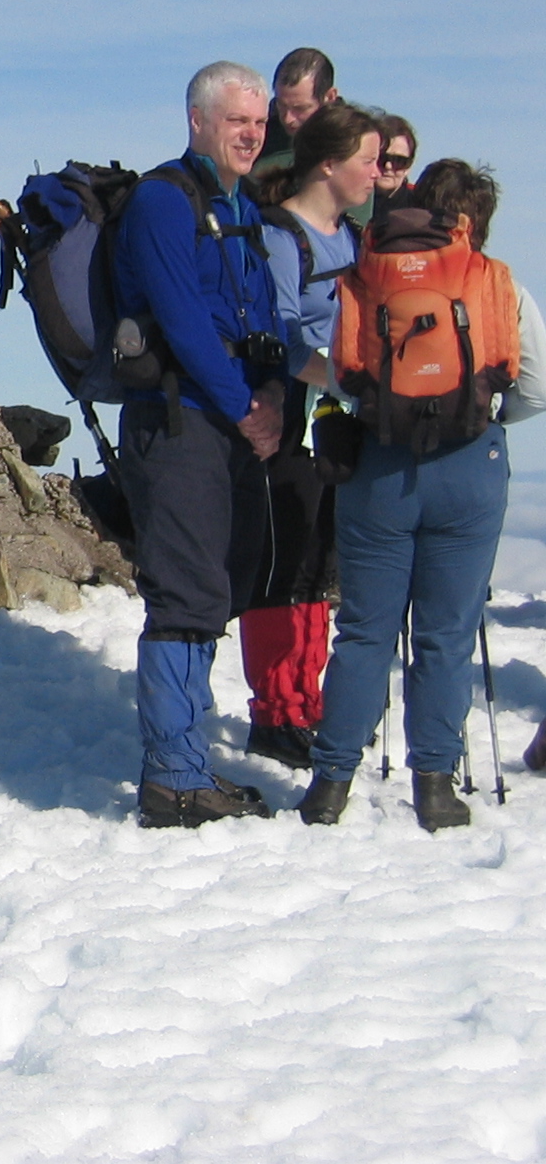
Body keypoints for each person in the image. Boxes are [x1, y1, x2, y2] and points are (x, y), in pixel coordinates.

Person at [301, 161, 542, 830]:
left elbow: (345, 377)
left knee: (365, 631)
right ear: (474, 224)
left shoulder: (367, 275)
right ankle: (435, 787)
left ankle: (330, 783)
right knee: (445, 634)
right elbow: (539, 386)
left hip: (379, 468)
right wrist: (480, 418)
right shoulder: (497, 283)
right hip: (469, 469)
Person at [114, 61, 292, 828]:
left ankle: (187, 765)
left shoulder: (239, 204)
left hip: (225, 421)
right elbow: (184, 321)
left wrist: (276, 394)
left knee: (211, 593)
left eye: (258, 123)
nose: (251, 134)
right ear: (197, 121)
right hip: (179, 422)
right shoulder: (161, 202)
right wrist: (248, 409)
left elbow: (268, 312)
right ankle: (173, 779)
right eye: (236, 122)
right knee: (185, 596)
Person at [240, 102, 382, 769]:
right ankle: (277, 712)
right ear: (329, 164)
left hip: (334, 425)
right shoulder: (279, 236)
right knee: (285, 565)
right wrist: (350, 382)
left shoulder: (351, 236)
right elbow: (287, 340)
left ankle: (307, 703)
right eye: (368, 162)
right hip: (288, 422)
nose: (378, 175)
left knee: (318, 565)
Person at [254, 48, 339, 170]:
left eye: (300, 108)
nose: (288, 119)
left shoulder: (358, 139)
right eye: (281, 106)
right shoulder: (256, 136)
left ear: (330, 97)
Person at [372, 114, 421, 214]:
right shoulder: (348, 204)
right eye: (382, 158)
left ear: (409, 166)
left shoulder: (421, 209)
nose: (388, 166)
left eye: (398, 161)